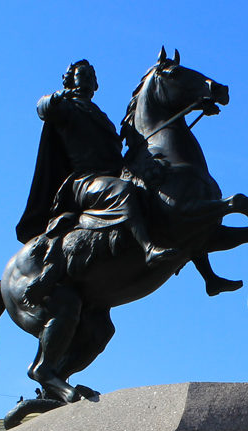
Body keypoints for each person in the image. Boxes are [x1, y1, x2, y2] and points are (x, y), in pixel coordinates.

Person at [18, 60, 177, 303]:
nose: (89, 78)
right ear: (70, 79)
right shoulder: (67, 107)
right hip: (84, 182)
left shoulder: (99, 115)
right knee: (122, 190)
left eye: (92, 75)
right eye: (82, 74)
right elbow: (43, 108)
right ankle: (148, 248)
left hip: (109, 176)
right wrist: (55, 98)